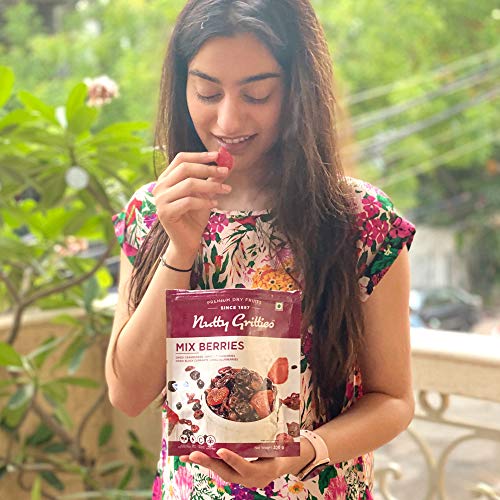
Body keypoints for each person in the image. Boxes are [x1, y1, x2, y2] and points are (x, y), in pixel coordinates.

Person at [105, 0, 416, 498]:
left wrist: (303, 452)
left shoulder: (361, 220)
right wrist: (180, 250)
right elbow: (127, 393)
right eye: (207, 92)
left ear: (297, 89)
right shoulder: (154, 210)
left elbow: (393, 399)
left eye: (257, 93)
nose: (228, 119)